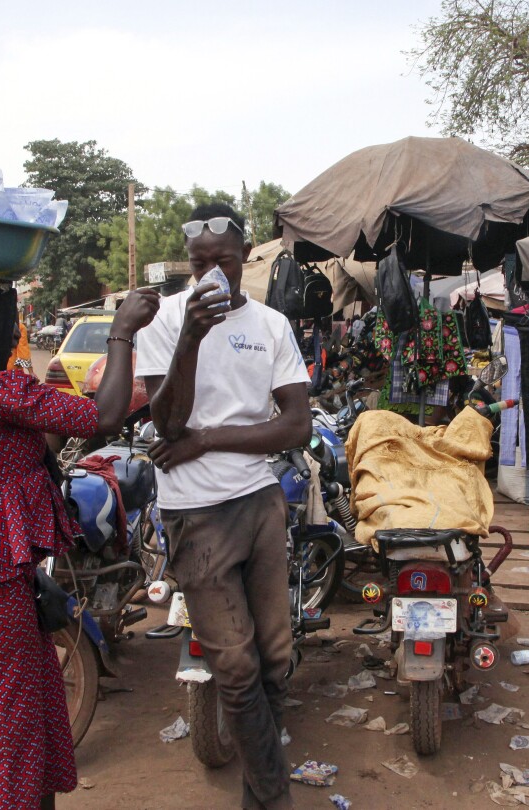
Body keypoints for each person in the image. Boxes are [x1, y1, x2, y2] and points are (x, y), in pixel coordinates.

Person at [0, 279, 158, 810]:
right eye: (7, 320)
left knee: (26, 707)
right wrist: (121, 332)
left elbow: (36, 439)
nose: (15, 330)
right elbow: (104, 417)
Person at [136, 203, 311, 810]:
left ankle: (258, 795)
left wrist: (209, 440)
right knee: (234, 669)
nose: (211, 272)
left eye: (223, 260)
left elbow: (296, 427)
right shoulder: (164, 321)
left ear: (243, 259)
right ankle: (275, 798)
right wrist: (189, 336)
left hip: (258, 500)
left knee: (274, 662)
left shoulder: (270, 325)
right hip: (195, 511)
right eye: (199, 262)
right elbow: (167, 420)